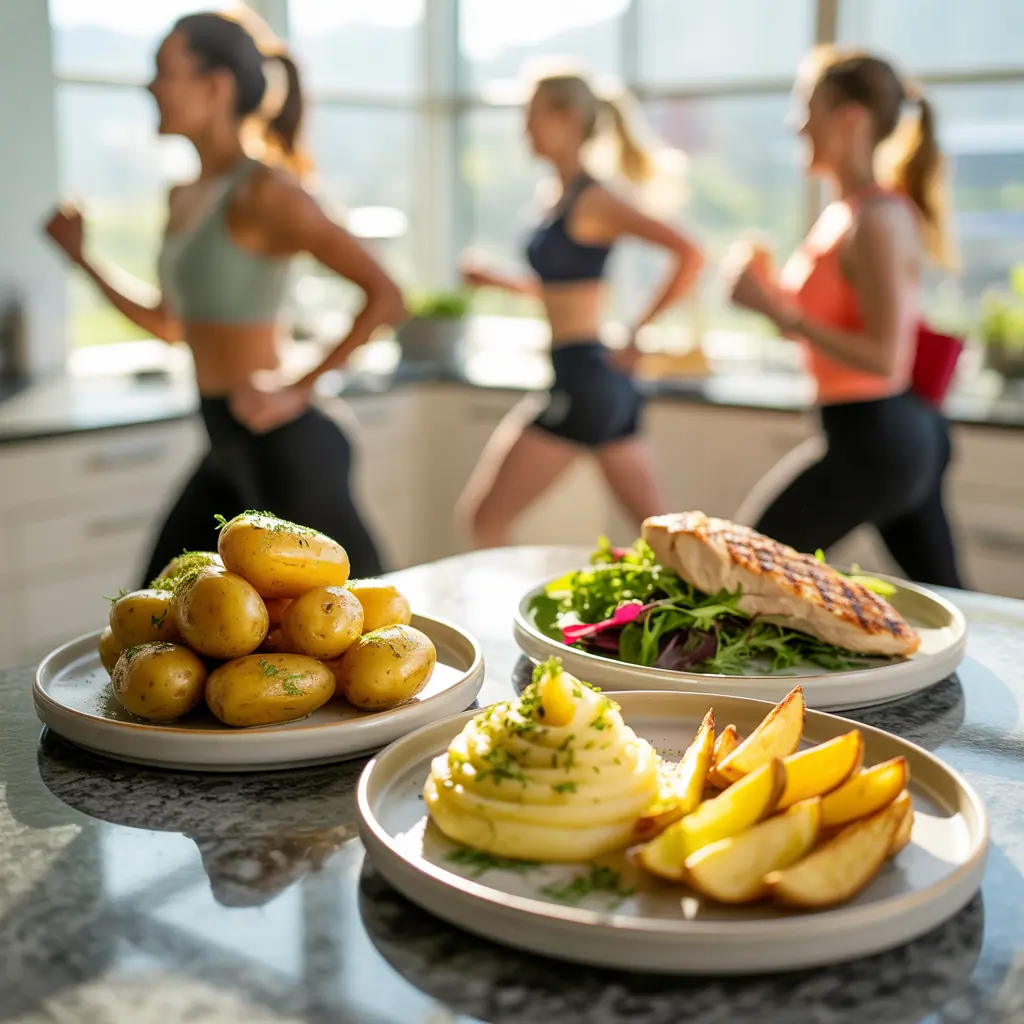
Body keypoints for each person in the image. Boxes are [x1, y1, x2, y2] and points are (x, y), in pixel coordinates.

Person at [44, 10, 403, 584]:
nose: (150, 87)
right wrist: (82, 259)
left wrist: (298, 388)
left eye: (164, 71)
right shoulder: (184, 196)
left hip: (286, 444)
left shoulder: (267, 192)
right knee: (158, 602)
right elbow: (170, 324)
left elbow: (386, 296)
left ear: (216, 86)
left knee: (361, 612)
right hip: (226, 440)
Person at [726, 47, 963, 588]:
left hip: (877, 436)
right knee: (951, 596)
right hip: (876, 434)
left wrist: (777, 309)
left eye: (807, 108)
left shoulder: (877, 219)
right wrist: (765, 298)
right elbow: (824, 327)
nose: (796, 125)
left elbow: (884, 359)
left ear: (849, 119)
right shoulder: (845, 213)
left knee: (740, 574)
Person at [458, 72, 704, 549]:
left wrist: (637, 331)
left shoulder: (594, 199)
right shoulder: (560, 197)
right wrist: (495, 282)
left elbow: (689, 253)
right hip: (598, 383)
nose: (524, 130)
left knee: (485, 519)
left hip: (584, 382)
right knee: (666, 542)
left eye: (531, 116)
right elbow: (562, 291)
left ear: (567, 118)